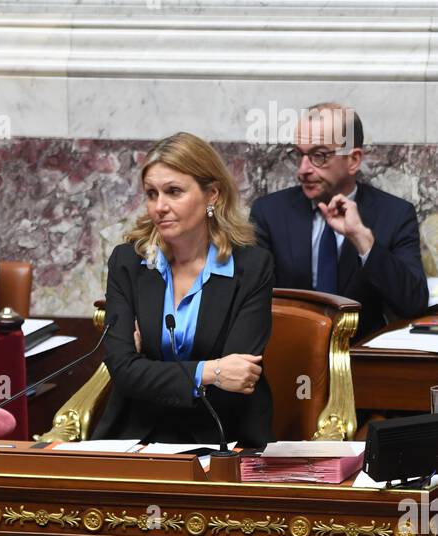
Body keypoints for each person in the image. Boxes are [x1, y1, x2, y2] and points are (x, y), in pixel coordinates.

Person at [94, 132, 273, 448]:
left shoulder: (251, 267)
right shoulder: (128, 262)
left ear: (212, 195)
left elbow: (239, 379)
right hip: (136, 436)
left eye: (173, 192)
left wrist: (148, 370)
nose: (159, 207)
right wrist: (211, 371)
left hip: (223, 436)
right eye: (151, 194)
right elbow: (121, 370)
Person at [251, 103, 429, 341]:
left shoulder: (394, 214)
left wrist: (363, 240)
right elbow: (252, 302)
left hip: (363, 359)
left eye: (319, 156)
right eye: (299, 154)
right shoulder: (270, 213)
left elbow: (413, 304)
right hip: (288, 355)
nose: (303, 170)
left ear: (353, 160)